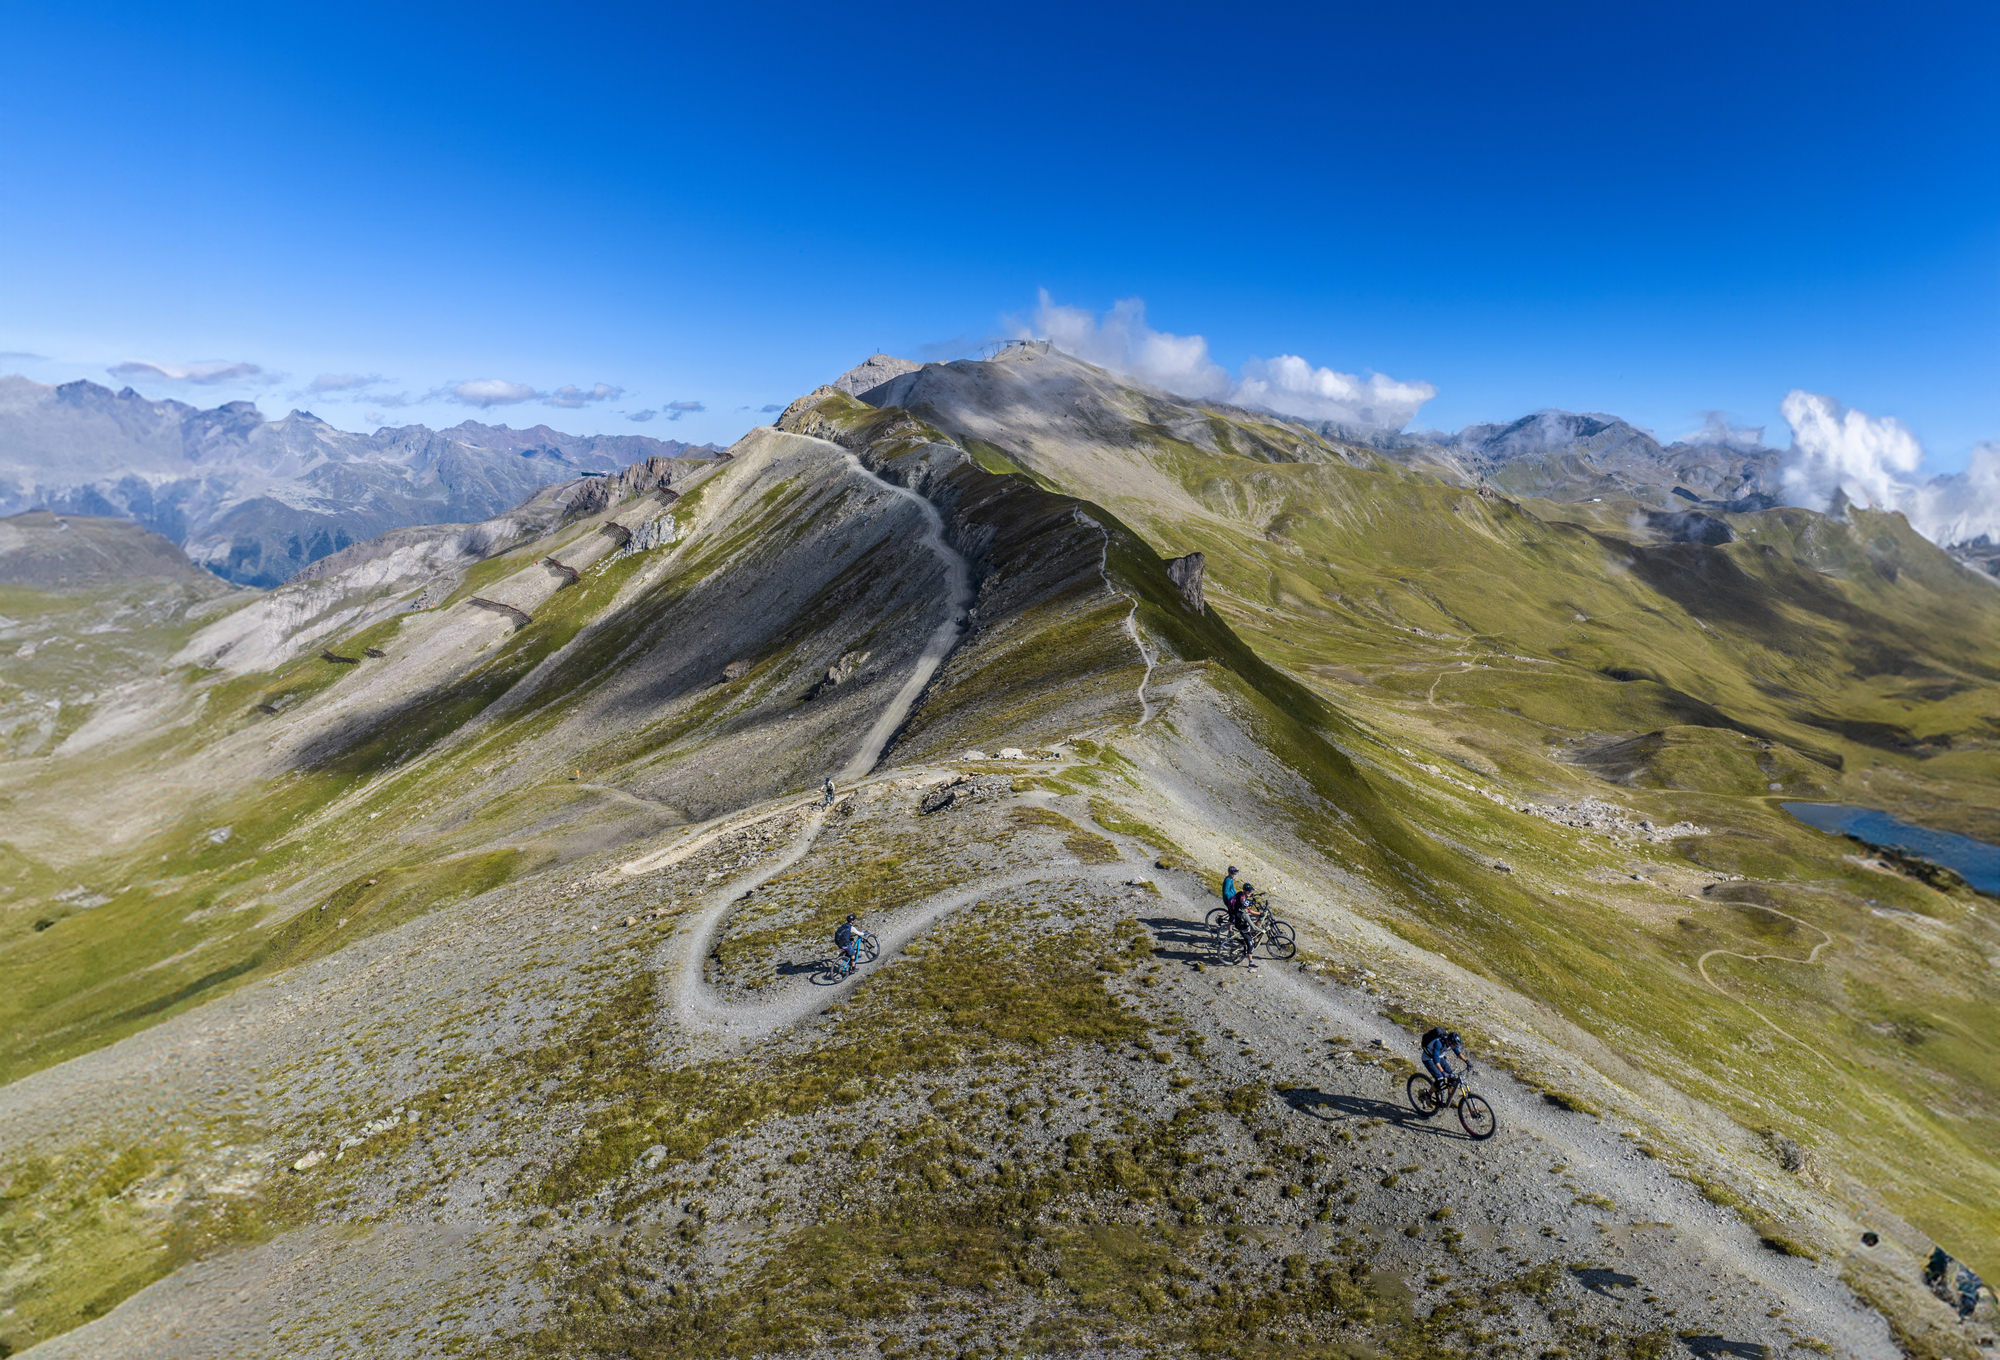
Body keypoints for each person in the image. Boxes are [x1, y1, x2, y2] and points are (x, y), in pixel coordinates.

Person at [1226, 882, 1260, 969]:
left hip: (1240, 925)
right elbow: (1252, 925)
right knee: (1250, 946)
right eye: (1248, 891)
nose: (1250, 893)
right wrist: (1261, 930)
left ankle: (1246, 942)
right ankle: (1250, 963)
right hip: (1244, 929)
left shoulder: (1243, 899)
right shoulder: (1245, 913)